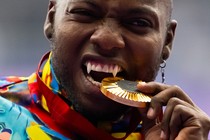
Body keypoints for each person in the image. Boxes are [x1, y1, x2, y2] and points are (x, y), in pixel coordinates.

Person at [0, 0, 209, 139]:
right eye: (84, 13)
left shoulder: (179, 134)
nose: (107, 40)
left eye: (138, 22)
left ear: (167, 41)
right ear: (51, 19)